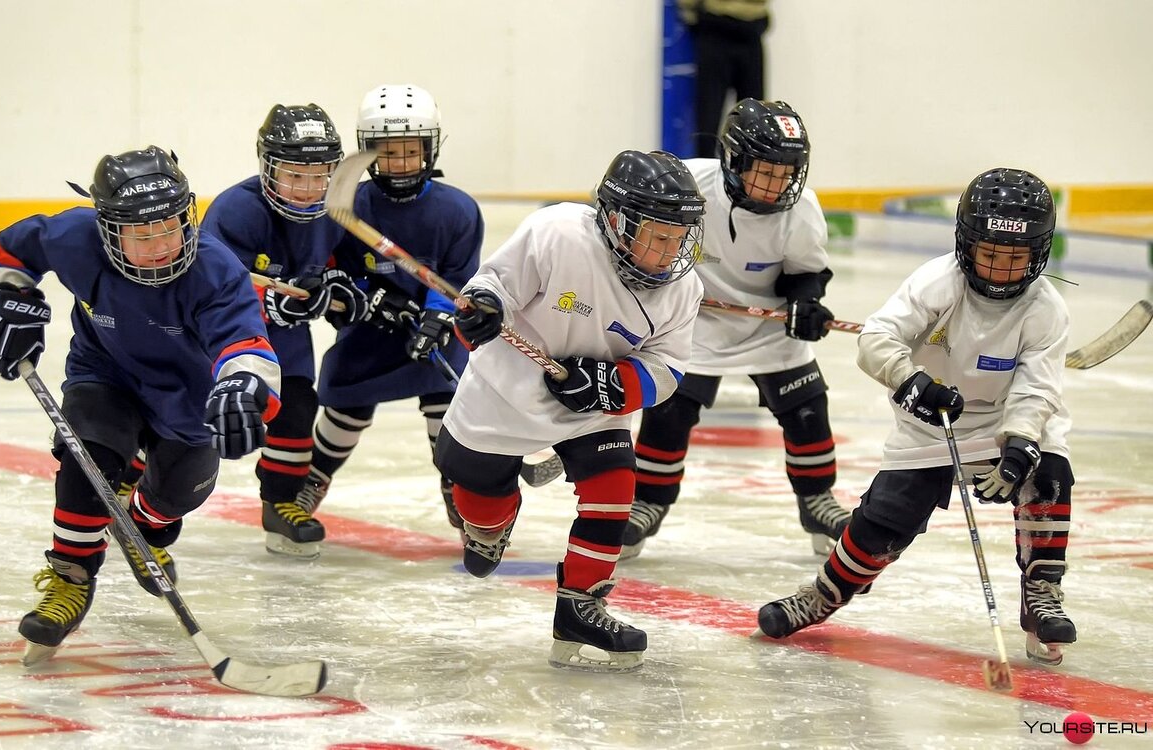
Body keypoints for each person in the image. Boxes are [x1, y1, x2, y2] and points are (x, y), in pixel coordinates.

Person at [756, 167, 1078, 667]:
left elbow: (1036, 389)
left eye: (1016, 258)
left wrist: (1019, 446)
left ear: (1039, 252)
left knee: (1049, 474)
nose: (999, 270)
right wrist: (913, 383)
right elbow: (876, 340)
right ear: (967, 243)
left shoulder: (1046, 309)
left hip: (1004, 423)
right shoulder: (937, 282)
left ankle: (1042, 593)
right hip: (930, 424)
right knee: (884, 521)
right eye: (990, 254)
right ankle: (823, 593)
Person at [0, 146, 282, 662]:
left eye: (170, 227)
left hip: (188, 400)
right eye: (142, 235)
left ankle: (138, 521)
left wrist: (242, 389)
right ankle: (71, 577)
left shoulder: (216, 271)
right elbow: (10, 254)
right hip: (106, 374)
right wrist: (12, 300)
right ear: (107, 228)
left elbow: (247, 345)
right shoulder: (74, 237)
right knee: (86, 452)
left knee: (172, 500)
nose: (162, 245)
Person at [435, 149, 706, 672]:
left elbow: (669, 368)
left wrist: (612, 386)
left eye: (679, 238)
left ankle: (581, 607)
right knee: (478, 498)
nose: (671, 252)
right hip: (505, 390)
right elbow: (494, 287)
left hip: (593, 406)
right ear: (616, 222)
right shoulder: (557, 233)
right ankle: (490, 524)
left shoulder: (683, 288)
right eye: (658, 235)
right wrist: (483, 310)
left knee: (614, 488)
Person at [621, 99, 847, 560]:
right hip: (692, 317)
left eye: (786, 173)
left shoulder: (801, 209)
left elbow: (806, 273)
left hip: (765, 322)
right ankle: (647, 502)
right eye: (765, 171)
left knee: (806, 406)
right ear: (734, 160)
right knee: (669, 408)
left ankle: (817, 499)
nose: (777, 185)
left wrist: (806, 303)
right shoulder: (687, 186)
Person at [295, 84, 484, 554]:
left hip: (434, 330)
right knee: (345, 407)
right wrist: (367, 297)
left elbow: (458, 279)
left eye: (410, 151)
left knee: (448, 410)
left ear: (429, 148)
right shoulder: (349, 204)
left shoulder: (457, 210)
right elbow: (328, 267)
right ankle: (311, 481)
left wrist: (437, 321)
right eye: (387, 152)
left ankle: (460, 497)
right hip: (371, 328)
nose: (399, 162)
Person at [200, 103, 368, 559]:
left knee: (297, 408)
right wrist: (267, 302)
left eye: (320, 176)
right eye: (295, 175)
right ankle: (130, 477)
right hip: (220, 338)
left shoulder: (333, 211)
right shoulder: (237, 209)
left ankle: (281, 504)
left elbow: (335, 263)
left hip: (286, 339)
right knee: (183, 415)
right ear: (267, 167)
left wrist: (339, 289)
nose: (308, 188)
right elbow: (208, 280)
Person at [677, 0, 771, 158]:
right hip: (716, 30)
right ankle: (704, 175)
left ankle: (749, 175)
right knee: (708, 117)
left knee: (754, 118)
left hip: (751, 32)